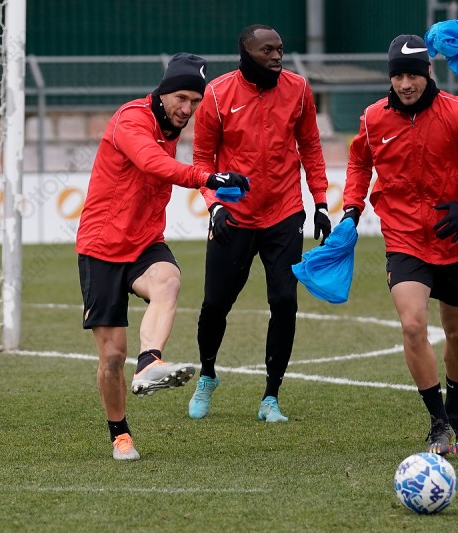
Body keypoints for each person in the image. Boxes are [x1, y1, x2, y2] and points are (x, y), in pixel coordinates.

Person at [341, 34, 458, 455]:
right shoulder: (373, 118)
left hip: (453, 240)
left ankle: (455, 412)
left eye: (413, 75)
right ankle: (438, 422)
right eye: (398, 76)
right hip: (403, 237)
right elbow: (359, 162)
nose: (405, 84)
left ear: (428, 71)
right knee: (413, 325)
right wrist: (351, 208)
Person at [75, 53, 250, 460]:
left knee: (169, 279)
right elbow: (153, 163)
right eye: (181, 98)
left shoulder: (170, 126)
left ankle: (150, 362)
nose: (187, 109)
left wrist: (216, 193)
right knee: (112, 356)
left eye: (195, 101)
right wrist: (208, 178)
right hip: (101, 247)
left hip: (144, 242)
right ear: (164, 91)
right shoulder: (131, 119)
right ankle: (120, 434)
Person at [188, 24, 330, 423]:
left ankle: (271, 397)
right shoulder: (217, 94)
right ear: (246, 52)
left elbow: (311, 147)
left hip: (285, 212)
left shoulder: (299, 88)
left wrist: (320, 201)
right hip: (234, 215)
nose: (277, 56)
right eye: (267, 50)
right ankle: (208, 374)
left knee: (284, 301)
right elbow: (202, 158)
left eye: (280, 49)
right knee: (215, 303)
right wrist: (214, 205)